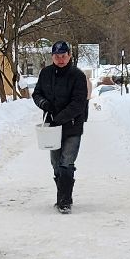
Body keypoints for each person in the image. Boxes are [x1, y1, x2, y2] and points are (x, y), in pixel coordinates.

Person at [32, 41, 89, 213]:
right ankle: (64, 195)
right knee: (56, 164)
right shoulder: (45, 73)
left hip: (72, 127)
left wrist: (60, 118)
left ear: (69, 56)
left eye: (63, 56)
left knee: (66, 163)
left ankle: (64, 202)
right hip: (51, 128)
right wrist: (44, 103)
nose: (60, 59)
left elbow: (79, 103)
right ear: (52, 57)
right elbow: (37, 93)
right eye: (57, 56)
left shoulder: (77, 76)